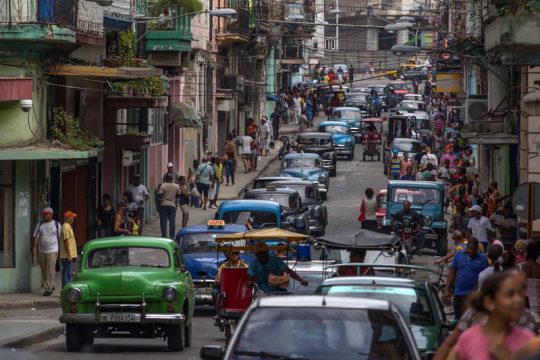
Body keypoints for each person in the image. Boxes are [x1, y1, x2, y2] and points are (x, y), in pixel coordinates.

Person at [434, 270, 540, 360]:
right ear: (490, 302)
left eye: (521, 293)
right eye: (510, 295)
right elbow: (449, 345)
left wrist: (506, 356)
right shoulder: (469, 337)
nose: (519, 300)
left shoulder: (528, 339)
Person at [444, 237, 489, 319]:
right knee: (458, 319)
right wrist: (447, 289)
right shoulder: (458, 255)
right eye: (470, 248)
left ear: (477, 249)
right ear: (467, 246)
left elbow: (487, 277)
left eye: (474, 249)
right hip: (458, 293)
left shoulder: (482, 259)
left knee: (469, 321)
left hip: (473, 296)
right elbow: (451, 273)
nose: (471, 251)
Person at [31, 207, 61, 296]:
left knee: (50, 269)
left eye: (46, 213)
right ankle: (51, 284)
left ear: (51, 214)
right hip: (42, 250)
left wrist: (61, 250)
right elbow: (35, 237)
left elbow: (61, 238)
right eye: (44, 214)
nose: (44, 215)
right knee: (44, 269)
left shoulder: (56, 224)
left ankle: (48, 288)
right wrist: (34, 248)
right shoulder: (40, 224)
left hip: (53, 250)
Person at [157, 173, 180, 239]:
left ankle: (164, 236)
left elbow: (159, 195)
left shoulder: (163, 186)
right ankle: (172, 237)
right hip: (172, 205)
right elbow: (178, 195)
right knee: (172, 222)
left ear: (166, 179)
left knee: (163, 222)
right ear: (172, 179)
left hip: (163, 205)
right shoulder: (176, 186)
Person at [59, 210, 77, 289]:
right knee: (67, 274)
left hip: (69, 255)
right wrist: (69, 255)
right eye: (72, 217)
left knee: (68, 273)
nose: (73, 219)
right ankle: (66, 290)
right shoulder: (66, 227)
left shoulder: (67, 227)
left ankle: (66, 290)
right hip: (67, 255)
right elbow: (66, 241)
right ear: (70, 219)